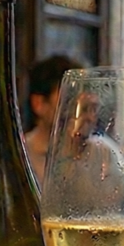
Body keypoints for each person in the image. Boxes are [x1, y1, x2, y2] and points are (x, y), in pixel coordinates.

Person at [23, 55, 82, 187]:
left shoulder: (103, 153)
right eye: (69, 99)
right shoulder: (21, 156)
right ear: (38, 103)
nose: (78, 109)